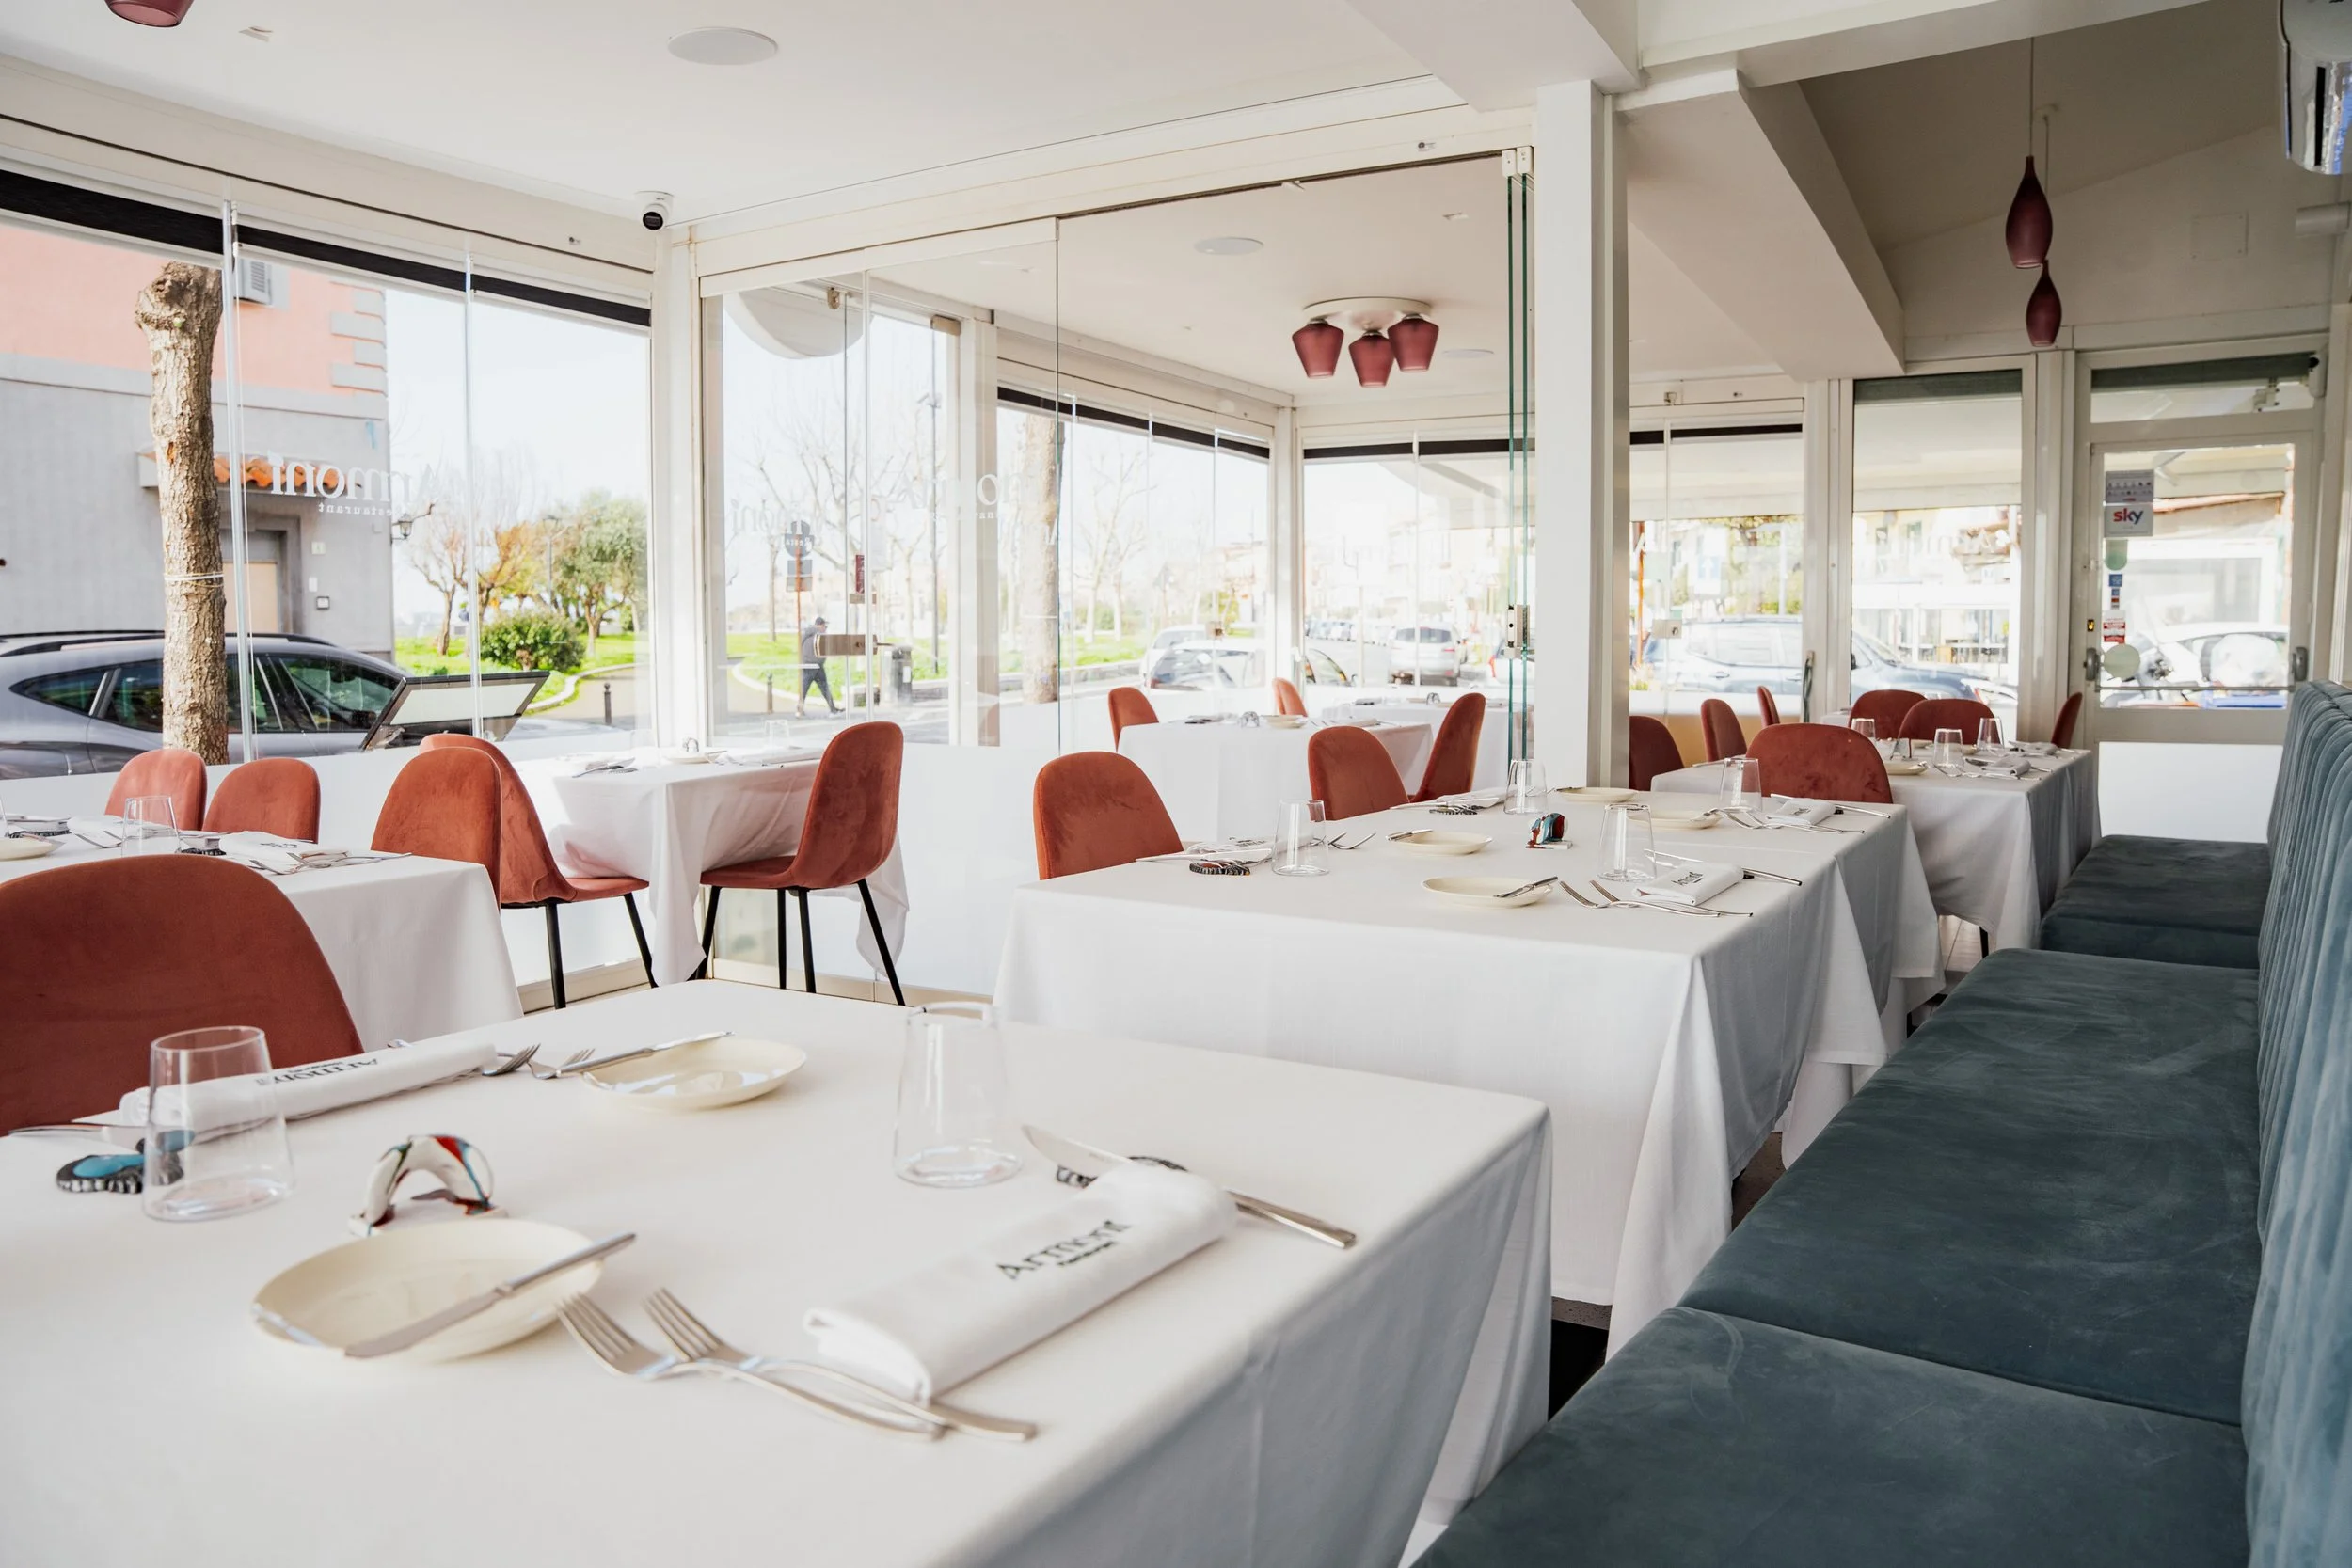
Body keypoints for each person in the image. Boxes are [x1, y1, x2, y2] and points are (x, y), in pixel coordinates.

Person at [798, 615, 839, 715]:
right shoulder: (819, 636)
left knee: (805, 688)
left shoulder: (806, 634)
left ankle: (799, 709)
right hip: (816, 666)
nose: (825, 628)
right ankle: (832, 709)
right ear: (821, 625)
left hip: (808, 665)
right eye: (825, 626)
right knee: (823, 687)